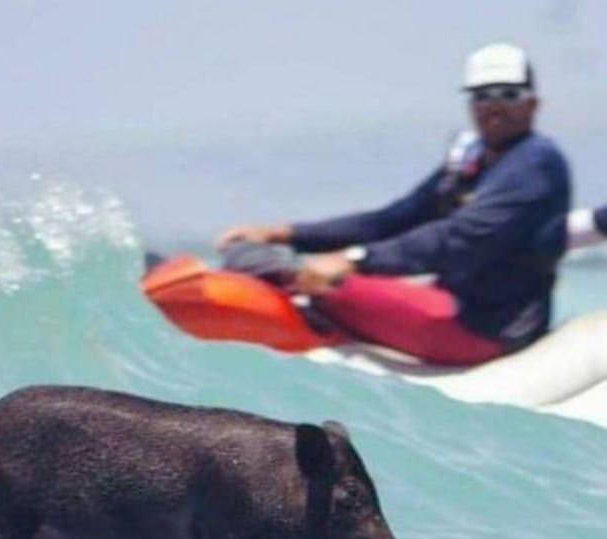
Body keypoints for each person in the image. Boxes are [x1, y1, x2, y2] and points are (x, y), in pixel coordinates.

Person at [217, 44, 571, 366]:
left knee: (311, 279)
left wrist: (354, 261)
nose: (493, 105)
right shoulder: (472, 162)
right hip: (451, 303)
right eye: (482, 95)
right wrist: (284, 233)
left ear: (532, 104)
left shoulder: (536, 164)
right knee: (271, 256)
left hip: (486, 328)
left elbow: (457, 239)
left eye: (508, 94)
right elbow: (393, 219)